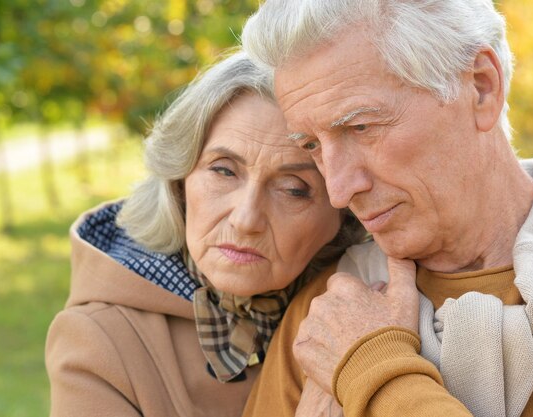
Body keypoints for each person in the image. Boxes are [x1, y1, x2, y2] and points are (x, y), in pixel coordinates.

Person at [240, 1, 533, 416]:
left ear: (481, 87)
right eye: (312, 145)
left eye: (361, 127)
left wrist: (372, 370)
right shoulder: (325, 318)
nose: (338, 190)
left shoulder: (343, 343)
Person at [44, 50, 367, 417]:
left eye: (293, 188)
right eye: (223, 171)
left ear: (344, 214)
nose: (246, 219)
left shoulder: (366, 301)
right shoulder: (99, 340)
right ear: (180, 182)